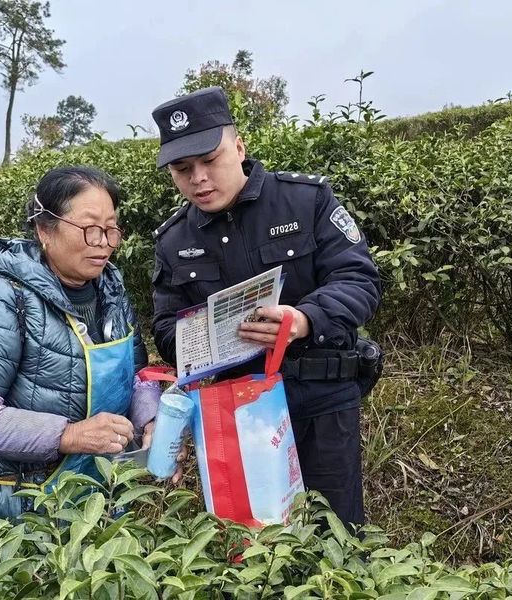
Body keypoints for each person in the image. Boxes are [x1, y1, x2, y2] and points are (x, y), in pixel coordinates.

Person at [150, 87, 381, 526]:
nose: (198, 178)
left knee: (335, 532)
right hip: (235, 414)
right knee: (252, 537)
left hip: (321, 400)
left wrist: (305, 319)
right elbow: (165, 328)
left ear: (239, 147)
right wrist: (206, 336)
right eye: (182, 169)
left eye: (210, 161)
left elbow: (358, 279)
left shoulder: (306, 200)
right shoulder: (174, 241)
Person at [0, 165, 159, 519]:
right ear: (45, 229)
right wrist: (69, 435)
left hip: (105, 494)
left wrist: (150, 419)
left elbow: (137, 373)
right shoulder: (3, 298)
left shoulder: (111, 292)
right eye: (89, 229)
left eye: (111, 229)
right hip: (25, 506)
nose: (103, 243)